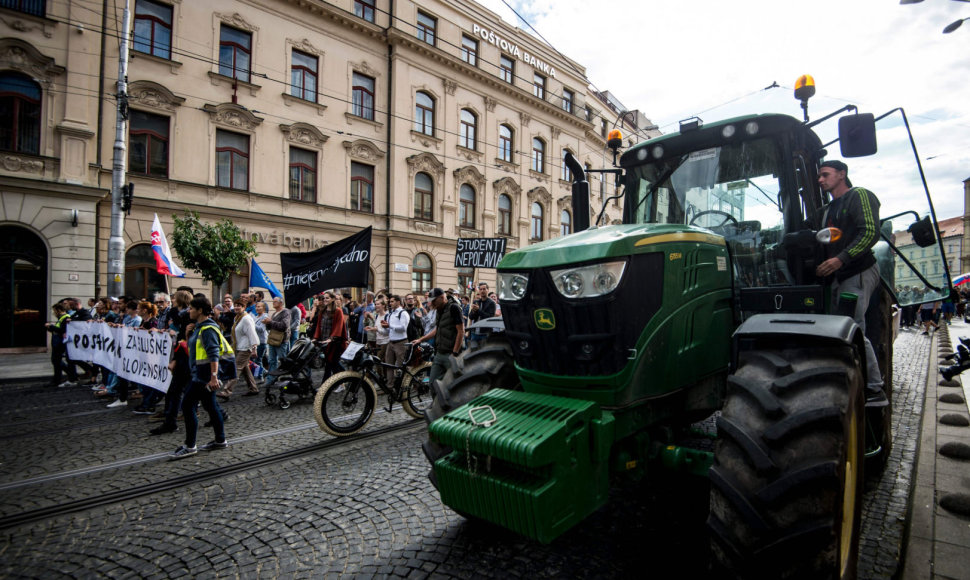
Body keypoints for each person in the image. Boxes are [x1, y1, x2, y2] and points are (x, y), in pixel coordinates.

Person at [815, 160, 886, 405]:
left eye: (825, 175)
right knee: (841, 329)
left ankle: (875, 388)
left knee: (852, 326)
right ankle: (847, 378)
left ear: (842, 174)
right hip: (840, 275)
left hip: (857, 271)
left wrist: (840, 260)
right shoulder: (829, 209)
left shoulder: (860, 195)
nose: (821, 180)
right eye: (819, 177)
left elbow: (869, 232)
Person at [171, 296, 231, 459]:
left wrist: (213, 377)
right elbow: (196, 352)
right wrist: (188, 334)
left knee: (187, 405)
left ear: (200, 311)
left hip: (204, 376)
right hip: (200, 373)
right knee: (210, 406)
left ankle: (190, 446)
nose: (189, 311)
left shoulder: (208, 329)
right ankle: (220, 440)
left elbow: (213, 354)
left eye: (191, 308)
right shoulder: (199, 327)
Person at [413, 288, 464, 386]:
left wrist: (455, 352)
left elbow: (461, 331)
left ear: (442, 297)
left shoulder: (454, 308)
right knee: (433, 384)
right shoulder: (439, 309)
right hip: (439, 353)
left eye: (433, 301)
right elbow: (437, 329)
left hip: (451, 354)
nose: (431, 304)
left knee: (454, 385)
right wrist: (420, 339)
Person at [219, 298, 260, 399]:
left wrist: (254, 348)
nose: (237, 307)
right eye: (236, 305)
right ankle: (253, 388)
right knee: (245, 368)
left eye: (239, 306)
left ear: (244, 307)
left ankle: (227, 391)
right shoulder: (237, 317)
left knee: (236, 368)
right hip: (239, 346)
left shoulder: (246, 319)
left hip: (246, 348)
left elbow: (252, 334)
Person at [308, 291, 347, 379]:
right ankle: (343, 380)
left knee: (331, 364)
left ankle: (334, 383)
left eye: (327, 298)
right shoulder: (323, 311)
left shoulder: (338, 311)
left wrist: (331, 338)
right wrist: (316, 338)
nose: (325, 299)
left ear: (333, 299)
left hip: (334, 342)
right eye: (324, 298)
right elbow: (319, 325)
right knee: (330, 364)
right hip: (324, 341)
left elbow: (339, 326)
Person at [261, 297, 291, 392]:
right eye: (273, 301)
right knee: (271, 360)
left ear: (281, 303)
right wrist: (267, 323)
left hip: (281, 340)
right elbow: (271, 326)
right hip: (273, 339)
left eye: (275, 301)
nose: (273, 303)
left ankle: (285, 378)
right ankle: (271, 380)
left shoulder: (285, 312)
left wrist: (271, 322)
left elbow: (284, 326)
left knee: (282, 359)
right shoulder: (274, 313)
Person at [45, 302, 78, 387]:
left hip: (60, 343)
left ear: (59, 310)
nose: (53, 313)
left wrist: (51, 326)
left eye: (54, 311)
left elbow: (62, 330)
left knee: (57, 361)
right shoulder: (61, 318)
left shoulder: (66, 318)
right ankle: (67, 375)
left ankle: (62, 378)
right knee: (56, 361)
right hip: (57, 342)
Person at [382, 295, 410, 385]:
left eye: (392, 301)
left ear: (398, 302)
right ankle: (390, 384)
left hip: (401, 342)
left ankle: (405, 385)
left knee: (402, 365)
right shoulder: (391, 314)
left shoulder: (403, 313)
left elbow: (403, 328)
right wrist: (384, 326)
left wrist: (389, 325)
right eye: (390, 302)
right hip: (391, 342)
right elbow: (388, 330)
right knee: (389, 365)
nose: (390, 303)